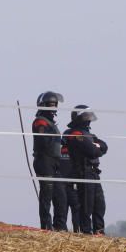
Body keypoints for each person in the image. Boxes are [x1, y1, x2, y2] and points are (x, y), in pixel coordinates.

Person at [64, 105, 108, 235]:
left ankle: (99, 232)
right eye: (86, 116)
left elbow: (104, 146)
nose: (88, 119)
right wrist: (96, 147)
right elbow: (93, 151)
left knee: (100, 205)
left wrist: (96, 146)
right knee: (86, 206)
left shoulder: (89, 134)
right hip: (83, 173)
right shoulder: (75, 134)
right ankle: (86, 233)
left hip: (94, 173)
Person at [31, 91, 67, 230]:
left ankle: (60, 227)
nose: (53, 107)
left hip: (54, 161)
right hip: (44, 160)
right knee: (47, 194)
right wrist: (55, 139)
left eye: (54, 104)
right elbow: (43, 140)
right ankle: (46, 226)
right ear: (43, 105)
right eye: (50, 104)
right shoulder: (40, 121)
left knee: (60, 196)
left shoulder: (52, 123)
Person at [57, 117, 81, 232]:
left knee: (62, 211)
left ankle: (62, 231)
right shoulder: (75, 152)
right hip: (73, 185)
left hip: (62, 185)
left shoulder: (58, 151)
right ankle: (77, 231)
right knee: (76, 210)